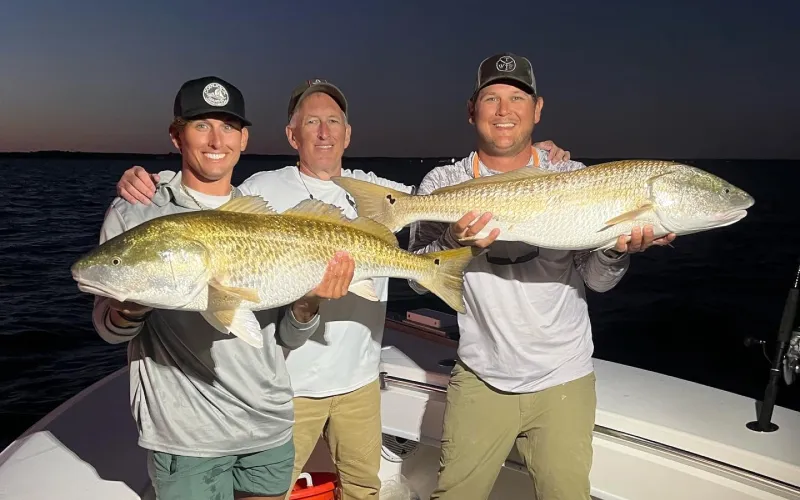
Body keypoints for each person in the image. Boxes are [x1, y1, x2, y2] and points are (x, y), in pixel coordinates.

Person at [113, 78, 573, 499]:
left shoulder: (377, 191)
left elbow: (449, 197)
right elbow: (210, 200)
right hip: (292, 386)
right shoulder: (261, 188)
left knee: (362, 489)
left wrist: (533, 162)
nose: (323, 132)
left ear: (348, 134)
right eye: (311, 122)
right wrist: (151, 180)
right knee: (276, 489)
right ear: (292, 135)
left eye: (333, 121)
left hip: (360, 381)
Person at [408, 53, 677, 500]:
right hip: (481, 377)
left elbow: (598, 282)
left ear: (537, 110)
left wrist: (614, 250)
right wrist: (452, 242)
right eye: (491, 98)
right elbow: (418, 279)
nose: (504, 110)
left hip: (563, 379)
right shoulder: (443, 182)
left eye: (517, 97)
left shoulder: (573, 177)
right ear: (472, 110)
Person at [89, 76, 355, 500]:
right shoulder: (140, 208)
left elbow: (284, 336)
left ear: (244, 138)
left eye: (228, 127)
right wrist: (133, 305)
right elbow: (108, 327)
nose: (216, 140)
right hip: (187, 437)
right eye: (200, 125)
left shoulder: (261, 213)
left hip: (268, 426)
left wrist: (310, 300)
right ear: (177, 134)